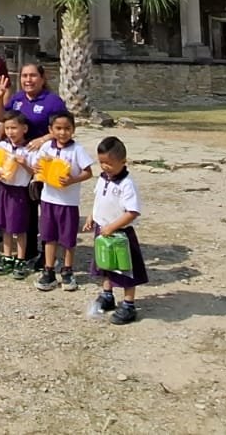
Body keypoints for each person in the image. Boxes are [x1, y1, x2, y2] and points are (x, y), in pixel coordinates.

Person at [0, 61, 67, 269]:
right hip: (22, 162)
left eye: (33, 75)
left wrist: (44, 138)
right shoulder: (17, 99)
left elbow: (63, 127)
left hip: (44, 160)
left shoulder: (53, 101)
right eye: (24, 76)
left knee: (47, 208)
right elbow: (1, 118)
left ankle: (48, 253)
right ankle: (29, 251)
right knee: (27, 208)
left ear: (42, 79)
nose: (28, 80)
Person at [29, 110, 96, 293]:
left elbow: (88, 172)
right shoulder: (46, 147)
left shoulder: (77, 150)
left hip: (68, 202)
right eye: (58, 128)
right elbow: (37, 165)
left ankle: (67, 270)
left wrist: (73, 180)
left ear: (73, 129)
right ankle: (48, 270)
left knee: (68, 239)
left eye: (67, 128)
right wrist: (37, 169)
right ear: (51, 129)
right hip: (48, 200)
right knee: (48, 237)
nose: (62, 132)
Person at [86, 136, 149, 325]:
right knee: (105, 265)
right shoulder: (103, 179)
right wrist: (92, 216)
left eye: (109, 164)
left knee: (125, 269)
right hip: (102, 231)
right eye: (101, 162)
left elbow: (132, 212)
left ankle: (129, 304)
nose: (105, 167)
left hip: (120, 235)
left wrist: (113, 227)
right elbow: (99, 200)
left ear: (123, 161)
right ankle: (107, 295)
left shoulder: (126, 184)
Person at [0, 111, 34, 280]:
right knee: (6, 226)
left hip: (18, 192)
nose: (10, 132)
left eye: (14, 128)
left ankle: (21, 259)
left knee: (19, 227)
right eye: (7, 128)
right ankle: (7, 257)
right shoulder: (2, 145)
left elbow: (35, 172)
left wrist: (25, 164)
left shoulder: (29, 149)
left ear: (24, 129)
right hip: (2, 189)